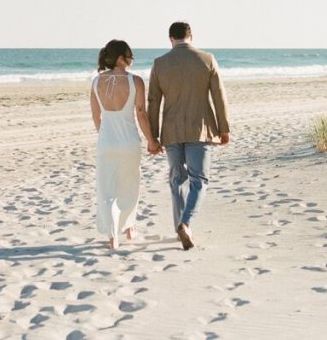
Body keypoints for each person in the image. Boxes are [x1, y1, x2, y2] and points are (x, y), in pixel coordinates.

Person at [148, 21, 231, 250]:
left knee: (177, 180)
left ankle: (180, 227)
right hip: (199, 129)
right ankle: (185, 223)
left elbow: (153, 102)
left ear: (170, 39)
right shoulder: (207, 59)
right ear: (191, 36)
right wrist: (224, 128)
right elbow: (219, 96)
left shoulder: (159, 63)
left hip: (171, 131)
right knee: (199, 180)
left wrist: (153, 137)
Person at [90, 39, 156, 249]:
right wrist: (152, 141)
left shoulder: (95, 82)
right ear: (120, 58)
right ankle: (129, 228)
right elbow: (141, 114)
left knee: (106, 189)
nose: (132, 59)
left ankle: (113, 236)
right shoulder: (135, 81)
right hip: (129, 142)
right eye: (130, 55)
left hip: (106, 142)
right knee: (129, 186)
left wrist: (105, 135)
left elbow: (96, 117)